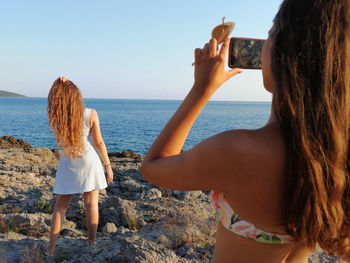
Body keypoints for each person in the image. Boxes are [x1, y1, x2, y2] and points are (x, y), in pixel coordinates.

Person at [140, 0, 350, 262]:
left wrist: (202, 89)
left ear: (285, 54)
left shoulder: (238, 152)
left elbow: (153, 167)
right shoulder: (335, 157)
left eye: (270, 35)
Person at [43, 77, 113, 256]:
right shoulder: (90, 113)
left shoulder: (57, 116)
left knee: (60, 206)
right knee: (91, 204)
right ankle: (91, 243)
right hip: (89, 161)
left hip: (68, 162)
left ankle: (50, 249)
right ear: (76, 96)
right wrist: (108, 165)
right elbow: (98, 142)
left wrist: (60, 84)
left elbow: (54, 97)